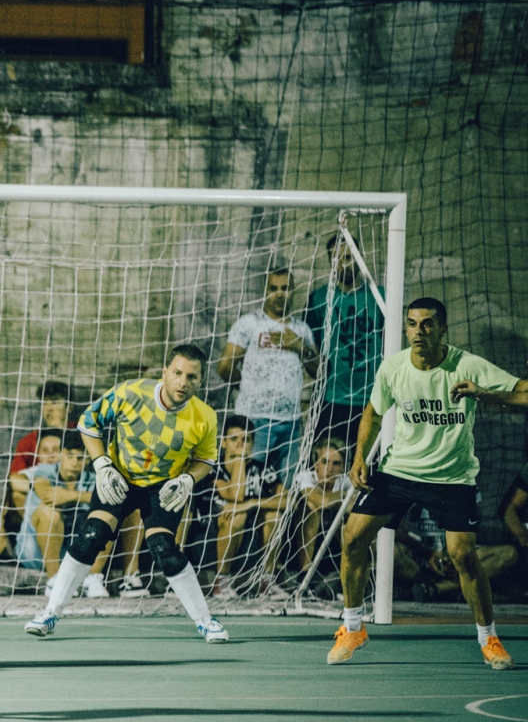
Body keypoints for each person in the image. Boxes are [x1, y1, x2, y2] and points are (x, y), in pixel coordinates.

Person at [330, 297, 527, 668]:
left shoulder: (466, 365)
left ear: (442, 329)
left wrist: (485, 394)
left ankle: (489, 639)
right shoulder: (393, 368)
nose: (417, 331)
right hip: (399, 471)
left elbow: (525, 392)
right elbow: (373, 413)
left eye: (427, 324)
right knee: (353, 537)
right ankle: (352, 627)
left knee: (463, 555)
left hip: (452, 477)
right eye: (411, 323)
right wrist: (359, 459)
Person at [25, 345, 227, 642]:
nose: (183, 382)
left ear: (200, 381)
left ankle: (205, 621)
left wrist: (187, 479)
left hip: (163, 486)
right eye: (177, 373)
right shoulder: (130, 393)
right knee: (91, 535)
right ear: (165, 373)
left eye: (192, 377)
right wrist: (101, 464)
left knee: (164, 548)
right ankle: (50, 613)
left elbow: (206, 460)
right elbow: (88, 423)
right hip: (118, 477)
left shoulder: (204, 416)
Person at [218, 269, 317, 477]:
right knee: (250, 481)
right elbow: (225, 366)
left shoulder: (302, 329)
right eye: (274, 288)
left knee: (285, 486)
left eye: (285, 288)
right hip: (255, 420)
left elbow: (319, 371)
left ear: (293, 291)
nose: (280, 294)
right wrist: (247, 385)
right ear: (265, 291)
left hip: (290, 422)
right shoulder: (249, 323)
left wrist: (299, 346)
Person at [305, 232, 383, 453]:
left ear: (358, 258)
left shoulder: (380, 296)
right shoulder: (319, 299)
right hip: (333, 397)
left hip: (371, 398)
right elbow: (312, 348)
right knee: (327, 463)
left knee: (372, 463)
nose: (343, 264)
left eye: (348, 257)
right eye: (336, 259)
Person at [14, 430, 102, 588]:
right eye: (69, 456)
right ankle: (54, 582)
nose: (74, 463)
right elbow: (47, 494)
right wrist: (82, 497)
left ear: (88, 459)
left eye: (80, 458)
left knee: (105, 513)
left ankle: (93, 579)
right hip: (34, 551)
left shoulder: (91, 478)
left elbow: (107, 497)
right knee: (49, 512)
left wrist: (71, 496)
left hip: (70, 551)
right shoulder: (45, 470)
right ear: (60, 455)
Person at [209, 416, 286, 593]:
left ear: (252, 444)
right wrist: (239, 460)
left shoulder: (261, 468)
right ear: (223, 443)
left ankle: (267, 581)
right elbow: (235, 496)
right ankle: (221, 582)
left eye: (246, 440)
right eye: (234, 439)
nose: (240, 444)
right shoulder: (214, 468)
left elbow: (288, 500)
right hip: (219, 523)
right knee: (238, 515)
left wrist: (252, 503)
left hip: (252, 523)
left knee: (274, 516)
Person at [295, 438, 353, 598]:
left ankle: (349, 578)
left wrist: (336, 502)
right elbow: (321, 502)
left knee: (349, 519)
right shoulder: (305, 477)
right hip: (299, 539)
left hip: (334, 540)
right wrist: (342, 497)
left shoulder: (346, 481)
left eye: (336, 463)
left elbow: (353, 507)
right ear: (315, 464)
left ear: (343, 468)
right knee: (310, 509)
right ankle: (305, 577)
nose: (330, 469)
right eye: (325, 462)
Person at [9, 381, 76, 474]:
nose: (48, 408)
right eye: (44, 403)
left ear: (70, 407)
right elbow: (15, 477)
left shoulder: (84, 434)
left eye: (54, 402)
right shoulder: (28, 442)